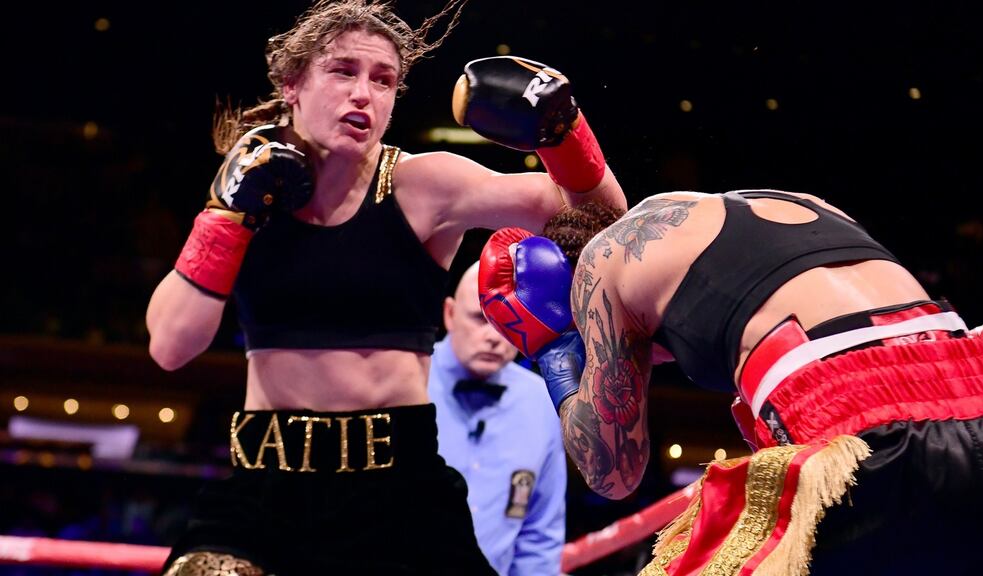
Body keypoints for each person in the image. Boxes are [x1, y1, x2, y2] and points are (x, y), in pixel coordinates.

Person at [145, 0, 626, 573]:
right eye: (343, 71)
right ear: (293, 84)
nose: (363, 94)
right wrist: (225, 214)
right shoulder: (250, 187)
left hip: (402, 494)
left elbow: (603, 219)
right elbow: (171, 346)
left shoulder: (425, 185)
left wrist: (564, 131)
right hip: (262, 492)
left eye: (383, 80)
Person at [477, 193, 983, 576]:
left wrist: (554, 352)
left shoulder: (601, 264)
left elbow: (612, 473)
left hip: (868, 450)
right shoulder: (797, 204)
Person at [428, 262, 567, 576]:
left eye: (507, 322)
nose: (494, 336)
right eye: (480, 319)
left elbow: (540, 535)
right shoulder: (406, 382)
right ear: (449, 314)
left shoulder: (541, 402)